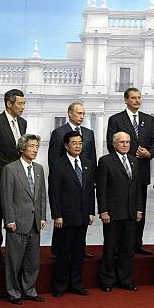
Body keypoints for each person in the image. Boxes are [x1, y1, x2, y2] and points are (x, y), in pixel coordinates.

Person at [106, 87, 154, 255]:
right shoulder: (115, 119)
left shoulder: (148, 119)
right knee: (122, 210)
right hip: (121, 174)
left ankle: (137, 243)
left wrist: (149, 153)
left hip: (141, 172)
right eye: (133, 98)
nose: (137, 101)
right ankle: (119, 245)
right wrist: (128, 158)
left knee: (139, 208)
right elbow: (110, 144)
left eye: (139, 98)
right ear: (126, 100)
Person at [0, 89, 27, 265]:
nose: (23, 107)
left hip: (18, 178)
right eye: (20, 103)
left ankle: (14, 250)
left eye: (24, 103)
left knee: (15, 213)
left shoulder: (23, 122)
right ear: (9, 104)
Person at [1, 134, 47, 305]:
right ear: (22, 148)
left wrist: (42, 216)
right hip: (17, 222)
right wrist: (10, 219)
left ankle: (29, 290)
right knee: (14, 261)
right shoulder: (10, 169)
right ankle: (13, 293)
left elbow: (42, 195)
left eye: (37, 146)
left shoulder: (39, 169)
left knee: (32, 261)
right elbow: (7, 197)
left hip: (35, 222)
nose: (35, 150)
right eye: (32, 146)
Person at [49, 131, 96, 297]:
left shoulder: (88, 164)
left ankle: (76, 283)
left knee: (78, 253)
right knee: (63, 253)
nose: (78, 146)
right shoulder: (58, 164)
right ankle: (60, 285)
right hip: (65, 217)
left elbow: (90, 190)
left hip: (83, 216)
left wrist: (91, 211)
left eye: (80, 143)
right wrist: (57, 215)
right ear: (66, 145)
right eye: (74, 143)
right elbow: (54, 192)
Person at [48, 102, 97, 259]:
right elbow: (53, 160)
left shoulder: (89, 134)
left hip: (84, 180)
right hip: (65, 183)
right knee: (63, 225)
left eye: (83, 113)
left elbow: (92, 158)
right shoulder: (59, 133)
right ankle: (58, 250)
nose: (81, 116)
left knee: (81, 223)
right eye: (78, 113)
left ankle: (80, 249)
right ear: (69, 113)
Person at [97, 132, 142, 292]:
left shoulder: (134, 160)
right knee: (110, 248)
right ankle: (107, 280)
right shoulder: (105, 161)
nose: (125, 145)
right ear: (114, 144)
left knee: (128, 249)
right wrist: (103, 211)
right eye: (122, 142)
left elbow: (137, 188)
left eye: (128, 142)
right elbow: (101, 189)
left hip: (130, 212)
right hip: (112, 213)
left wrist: (139, 209)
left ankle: (125, 280)